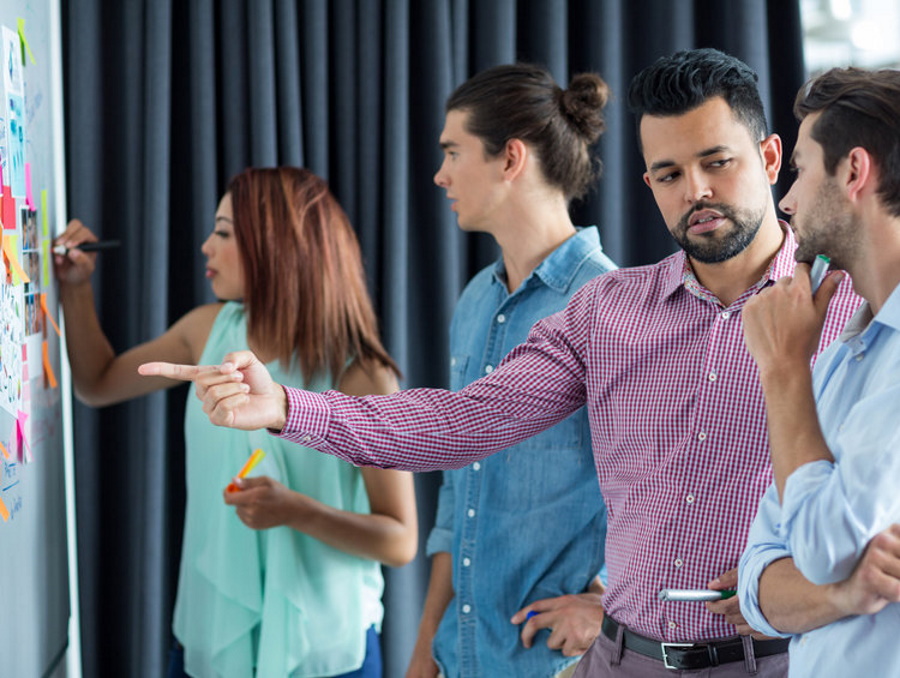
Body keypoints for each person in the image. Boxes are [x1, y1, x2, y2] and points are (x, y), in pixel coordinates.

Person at [141, 49, 862, 677]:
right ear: (648, 185)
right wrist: (289, 408)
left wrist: (812, 576)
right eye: (669, 173)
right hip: (619, 662)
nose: (696, 191)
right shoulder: (607, 313)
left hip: (780, 662)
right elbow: (461, 424)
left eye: (718, 163)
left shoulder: (850, 306)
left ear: (771, 159)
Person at [55, 167, 417, 678]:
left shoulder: (363, 375)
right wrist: (74, 289)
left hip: (326, 655)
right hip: (211, 639)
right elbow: (96, 384)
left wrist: (295, 511)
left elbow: (400, 540)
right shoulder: (205, 331)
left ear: (275, 245)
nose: (205, 246)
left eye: (224, 232)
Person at [404, 64, 617, 678]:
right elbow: (456, 489)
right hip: (462, 658)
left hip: (556, 666)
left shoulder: (606, 303)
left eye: (453, 151)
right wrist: (424, 648)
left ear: (510, 158)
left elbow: (670, 484)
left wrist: (608, 604)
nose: (440, 174)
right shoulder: (475, 300)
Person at [739, 67, 900, 677]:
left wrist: (782, 371)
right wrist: (839, 596)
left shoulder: (806, 364)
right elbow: (758, 576)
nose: (786, 199)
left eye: (801, 168)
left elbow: (823, 548)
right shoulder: (838, 356)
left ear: (854, 171)